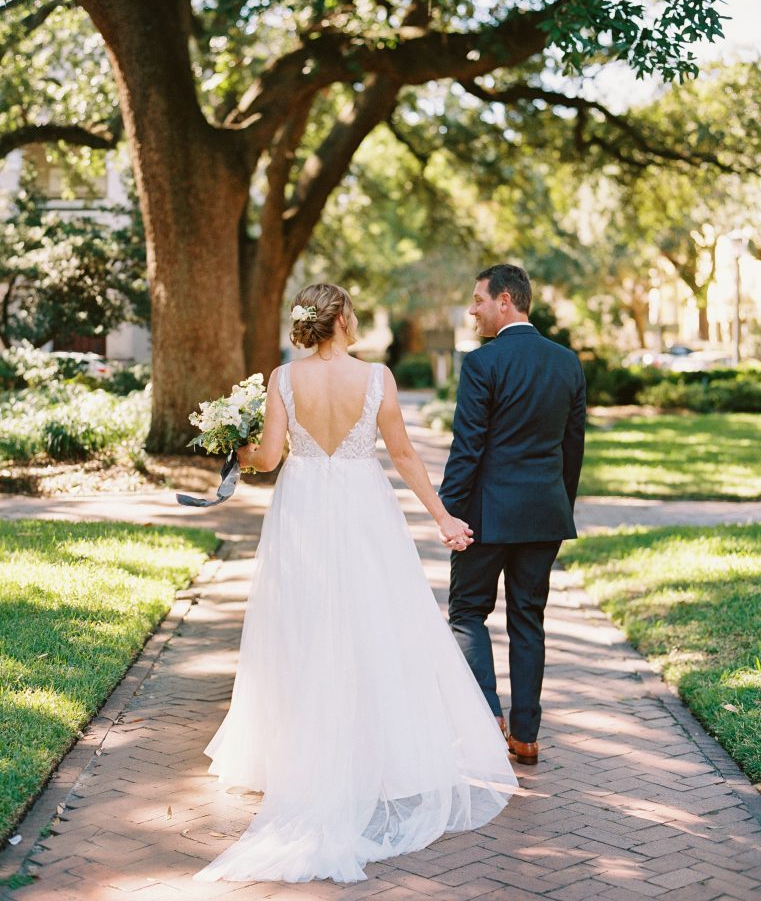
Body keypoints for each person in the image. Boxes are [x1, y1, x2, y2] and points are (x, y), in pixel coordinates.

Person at [194, 283, 517, 885]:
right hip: (364, 507)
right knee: (375, 621)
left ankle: (306, 754)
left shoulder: (283, 379)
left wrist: (236, 446)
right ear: (341, 318)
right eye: (353, 310)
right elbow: (404, 455)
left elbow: (268, 458)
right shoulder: (377, 378)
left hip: (302, 507)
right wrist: (443, 518)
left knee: (305, 624)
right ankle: (376, 753)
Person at [439, 264, 586, 766]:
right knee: (528, 619)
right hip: (544, 515)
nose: (472, 310)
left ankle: (487, 720)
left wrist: (449, 513)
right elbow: (572, 450)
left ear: (505, 301)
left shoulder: (483, 363)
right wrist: (558, 506)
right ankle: (525, 737)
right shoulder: (567, 363)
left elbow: (467, 448)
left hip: (485, 516)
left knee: (466, 613)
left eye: (478, 300)